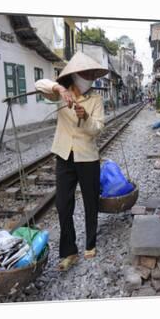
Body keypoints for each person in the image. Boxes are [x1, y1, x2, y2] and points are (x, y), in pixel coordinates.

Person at [34, 52, 107, 271]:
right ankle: (69, 251)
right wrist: (59, 88)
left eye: (91, 74)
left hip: (87, 156)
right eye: (85, 74)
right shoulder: (60, 94)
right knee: (63, 204)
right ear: (75, 75)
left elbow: (98, 129)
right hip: (64, 155)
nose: (89, 78)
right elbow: (39, 84)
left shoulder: (95, 99)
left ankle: (90, 242)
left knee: (90, 201)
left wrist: (85, 116)